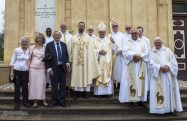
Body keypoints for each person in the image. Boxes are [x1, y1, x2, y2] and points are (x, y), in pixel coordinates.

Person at [149, 37, 183, 114]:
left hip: (167, 75)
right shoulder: (152, 52)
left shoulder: (167, 50)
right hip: (157, 76)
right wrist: (160, 67)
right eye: (156, 42)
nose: (157, 43)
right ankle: (159, 111)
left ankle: (170, 109)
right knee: (157, 93)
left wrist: (168, 66)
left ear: (162, 42)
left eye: (159, 42)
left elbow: (173, 61)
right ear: (154, 43)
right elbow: (150, 64)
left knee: (169, 92)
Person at [119, 29, 149, 107]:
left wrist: (140, 56)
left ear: (138, 33)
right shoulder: (127, 42)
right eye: (133, 33)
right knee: (130, 82)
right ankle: (131, 101)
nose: (134, 34)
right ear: (131, 34)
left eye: (136, 33)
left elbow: (147, 52)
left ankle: (140, 100)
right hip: (131, 64)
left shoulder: (143, 42)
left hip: (141, 65)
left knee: (140, 82)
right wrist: (134, 56)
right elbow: (125, 52)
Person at [70, 21, 101, 97]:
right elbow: (70, 50)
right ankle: (76, 93)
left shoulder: (88, 38)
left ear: (84, 27)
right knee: (76, 76)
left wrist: (91, 61)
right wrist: (70, 60)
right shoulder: (73, 38)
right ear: (78, 27)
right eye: (80, 26)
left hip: (86, 62)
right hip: (76, 63)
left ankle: (86, 92)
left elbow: (91, 51)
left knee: (86, 75)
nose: (81, 27)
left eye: (83, 26)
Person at [45, 31, 70, 108]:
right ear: (53, 36)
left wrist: (67, 63)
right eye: (55, 35)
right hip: (53, 69)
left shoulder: (63, 45)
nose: (57, 36)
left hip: (62, 68)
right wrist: (49, 69)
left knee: (63, 86)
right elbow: (46, 58)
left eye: (58, 35)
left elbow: (66, 56)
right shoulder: (49, 45)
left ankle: (62, 101)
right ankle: (54, 101)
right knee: (54, 86)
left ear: (60, 36)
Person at [10, 36, 32, 110]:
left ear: (28, 43)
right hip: (17, 70)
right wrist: (11, 73)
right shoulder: (16, 50)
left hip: (26, 71)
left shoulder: (29, 51)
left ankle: (25, 102)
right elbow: (12, 61)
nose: (24, 43)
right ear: (20, 42)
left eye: (26, 41)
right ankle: (16, 103)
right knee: (17, 87)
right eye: (23, 41)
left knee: (25, 87)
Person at [28, 33, 48, 108]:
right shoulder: (32, 47)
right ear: (36, 39)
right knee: (33, 85)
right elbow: (29, 58)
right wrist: (28, 67)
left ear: (43, 39)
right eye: (38, 38)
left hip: (42, 68)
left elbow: (47, 57)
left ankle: (43, 100)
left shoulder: (45, 47)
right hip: (33, 68)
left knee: (42, 84)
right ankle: (35, 101)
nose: (40, 39)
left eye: (41, 38)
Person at [93, 22, 113, 96]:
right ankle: (98, 93)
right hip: (98, 62)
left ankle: (107, 93)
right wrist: (98, 52)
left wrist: (113, 43)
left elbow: (113, 50)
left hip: (106, 62)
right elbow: (92, 51)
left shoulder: (108, 40)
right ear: (98, 32)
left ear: (105, 32)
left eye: (103, 32)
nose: (101, 33)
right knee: (99, 76)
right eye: (100, 32)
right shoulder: (95, 40)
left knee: (106, 75)